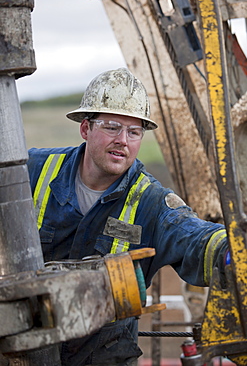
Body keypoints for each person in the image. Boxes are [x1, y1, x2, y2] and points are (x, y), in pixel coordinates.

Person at [27, 68, 228, 366]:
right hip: (25, 350)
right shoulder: (34, 170)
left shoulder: (151, 201)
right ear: (85, 128)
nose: (123, 140)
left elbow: (197, 239)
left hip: (105, 357)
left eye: (134, 132)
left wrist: (233, 250)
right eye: (111, 127)